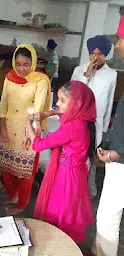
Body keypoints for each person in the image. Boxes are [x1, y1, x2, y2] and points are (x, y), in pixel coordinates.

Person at [27, 81, 96, 242]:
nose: (57, 104)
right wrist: (46, 114)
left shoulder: (71, 127)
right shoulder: (81, 119)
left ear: (77, 104)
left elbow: (38, 145)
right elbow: (61, 112)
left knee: (60, 212)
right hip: (73, 174)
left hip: (67, 178)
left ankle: (60, 244)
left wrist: (28, 124)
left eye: (62, 100)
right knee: (65, 211)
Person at [0, 43, 51, 216]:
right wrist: (3, 128)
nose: (21, 69)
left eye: (26, 64)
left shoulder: (40, 80)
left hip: (28, 130)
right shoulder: (9, 77)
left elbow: (39, 108)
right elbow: (3, 103)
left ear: (33, 62)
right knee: (6, 169)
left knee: (25, 173)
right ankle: (13, 196)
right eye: (18, 64)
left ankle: (21, 204)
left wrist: (31, 134)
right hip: (10, 128)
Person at [92, 17, 124, 256]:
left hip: (120, 160)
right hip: (115, 153)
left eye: (121, 38)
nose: (119, 44)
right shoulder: (80, 70)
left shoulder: (112, 75)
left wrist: (117, 151)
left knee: (107, 219)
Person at [71, 35, 117, 198]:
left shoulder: (112, 75)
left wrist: (104, 129)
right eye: (92, 53)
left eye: (100, 54)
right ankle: (74, 188)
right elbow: (74, 94)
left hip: (96, 124)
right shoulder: (79, 70)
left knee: (91, 157)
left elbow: (109, 102)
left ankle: (88, 191)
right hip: (78, 121)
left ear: (106, 54)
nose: (95, 57)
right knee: (77, 156)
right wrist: (87, 74)